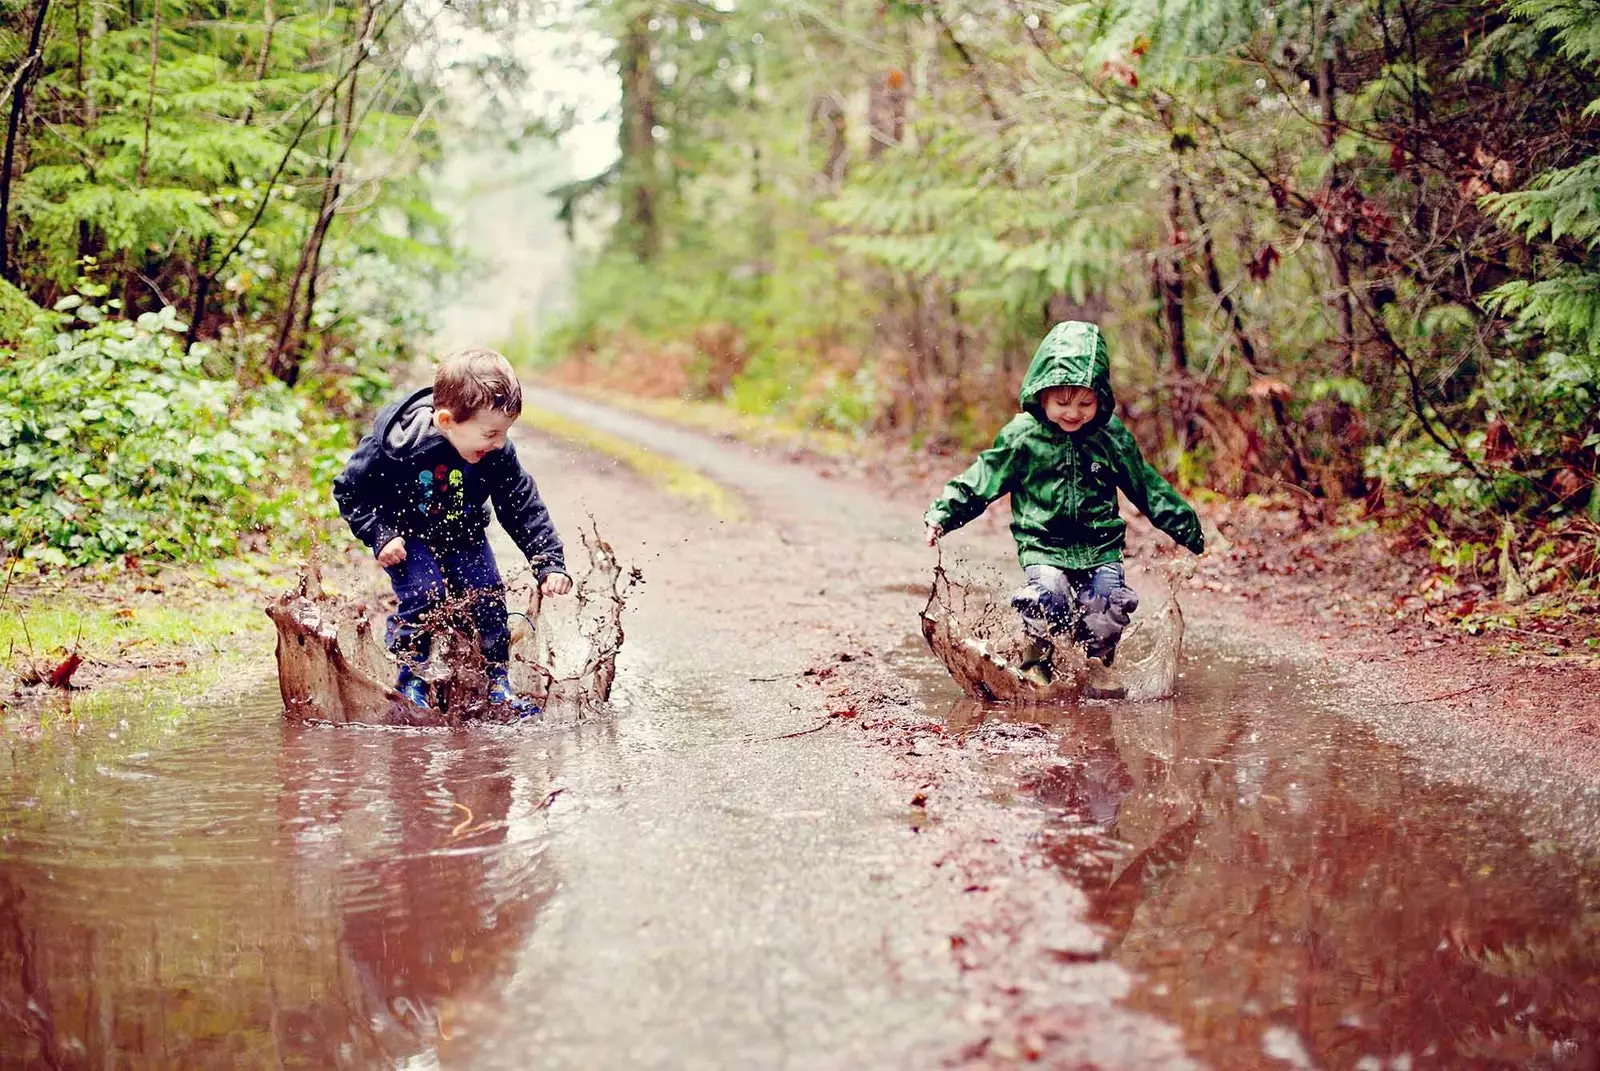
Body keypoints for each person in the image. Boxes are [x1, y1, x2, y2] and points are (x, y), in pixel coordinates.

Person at [922, 321, 1203, 687]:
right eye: (1062, 402)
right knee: (1047, 596)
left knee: (1106, 606)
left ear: (1101, 398)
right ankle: (1036, 661)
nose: (1073, 412)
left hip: (1100, 545)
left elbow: (1146, 485)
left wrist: (1184, 525)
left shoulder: (1110, 437)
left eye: (1085, 402)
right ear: (1041, 395)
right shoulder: (1022, 437)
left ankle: (1095, 665)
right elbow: (981, 479)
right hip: (1043, 544)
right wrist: (944, 514)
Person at [333, 347, 571, 715]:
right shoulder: (397, 448)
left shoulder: (496, 454)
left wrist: (549, 562)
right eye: (490, 433)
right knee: (425, 596)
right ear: (445, 420)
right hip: (408, 538)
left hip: (465, 535)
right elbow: (350, 491)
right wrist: (381, 533)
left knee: (487, 595)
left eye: (504, 433)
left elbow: (521, 505)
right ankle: (411, 680)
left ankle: (495, 681)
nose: (498, 443)